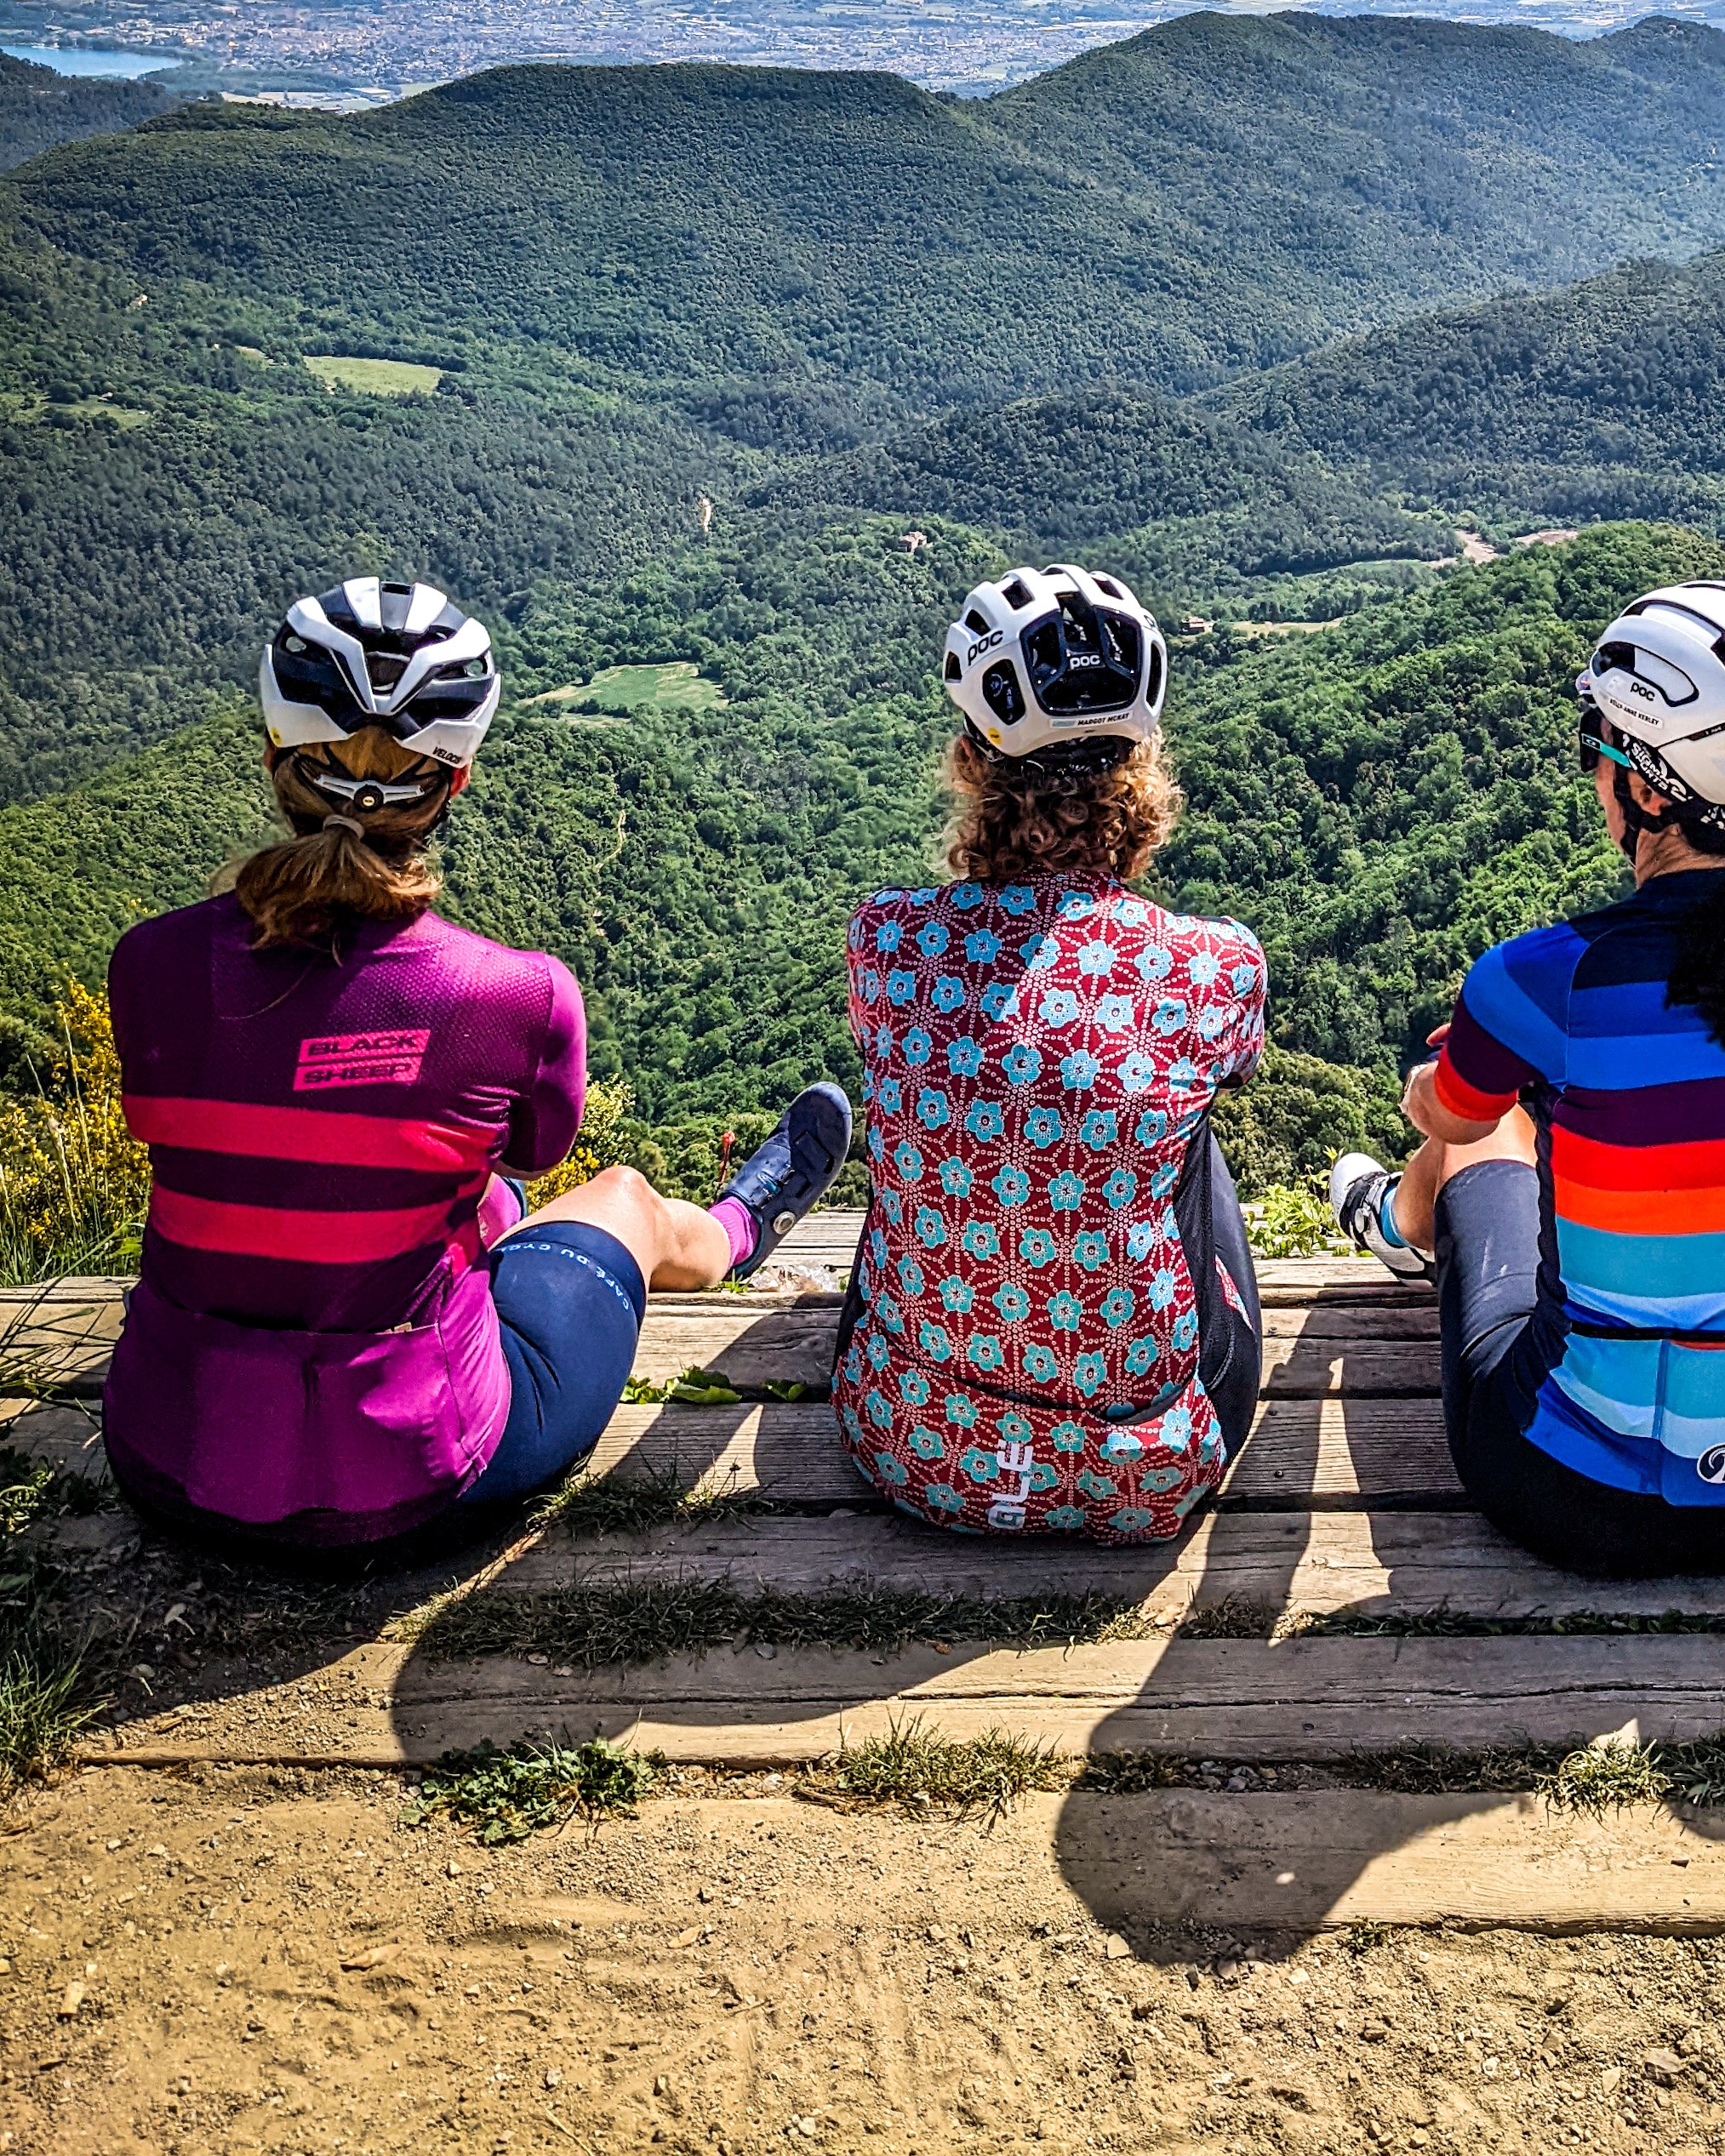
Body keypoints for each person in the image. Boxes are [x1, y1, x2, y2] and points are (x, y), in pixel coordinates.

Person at [101, 575, 852, 1568]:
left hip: (170, 1455)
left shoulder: (149, 965)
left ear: (276, 756)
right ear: (454, 783)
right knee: (618, 1195)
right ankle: (738, 1228)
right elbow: (538, 1150)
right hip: (418, 1473)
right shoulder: (516, 995)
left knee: (454, 1185)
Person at [1329, 580, 1725, 1580]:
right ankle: (1394, 1220)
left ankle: (1390, 1222)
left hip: (1570, 1489)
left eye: (1596, 747)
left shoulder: (1542, 979)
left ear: (1645, 786)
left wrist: (1451, 1069)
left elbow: (1449, 1112)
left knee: (1489, 1133)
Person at [831, 562, 1268, 1540]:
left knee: (932, 1117)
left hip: (906, 1445)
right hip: (1150, 1471)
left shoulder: (886, 939)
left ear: (972, 766)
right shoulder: (1214, 964)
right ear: (1140, 779)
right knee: (1188, 1133)